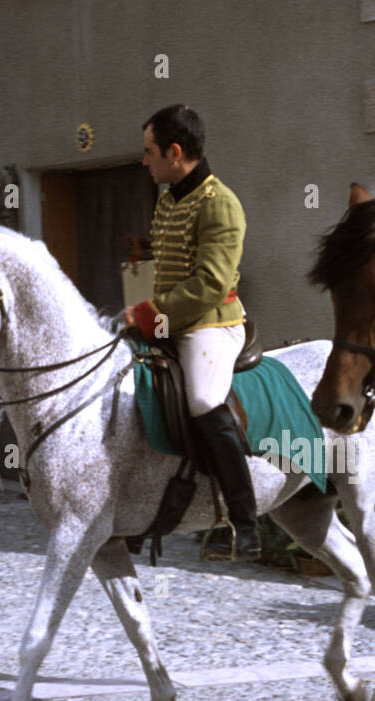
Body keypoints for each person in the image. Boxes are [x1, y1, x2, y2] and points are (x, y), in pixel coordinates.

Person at [123, 104, 259, 559]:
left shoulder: (220, 203)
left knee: (202, 399)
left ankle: (244, 520)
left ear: (175, 152)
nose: (144, 161)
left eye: (149, 152)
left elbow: (210, 285)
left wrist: (150, 313)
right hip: (171, 320)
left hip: (212, 323)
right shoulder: (167, 198)